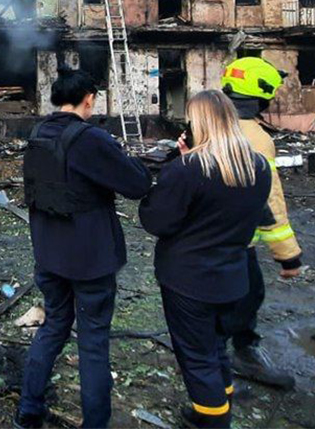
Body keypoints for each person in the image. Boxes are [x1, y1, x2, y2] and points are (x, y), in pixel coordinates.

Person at [15, 70, 152, 429]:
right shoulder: (89, 139)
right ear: (88, 98)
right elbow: (137, 184)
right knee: (92, 344)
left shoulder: (38, 133)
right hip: (90, 261)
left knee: (53, 327)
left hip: (49, 256)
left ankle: (29, 410)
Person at [140, 90, 272, 428]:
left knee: (196, 358)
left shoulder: (188, 169)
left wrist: (175, 166)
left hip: (188, 281)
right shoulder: (256, 165)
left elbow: (157, 220)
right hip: (233, 277)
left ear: (199, 122)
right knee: (215, 348)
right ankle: (218, 403)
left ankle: (212, 420)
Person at [219, 57, 302, 389]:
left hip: (202, 239)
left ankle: (210, 356)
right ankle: (239, 355)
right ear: (261, 96)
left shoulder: (204, 125)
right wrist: (287, 254)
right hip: (238, 241)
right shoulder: (256, 138)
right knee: (248, 295)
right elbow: (269, 200)